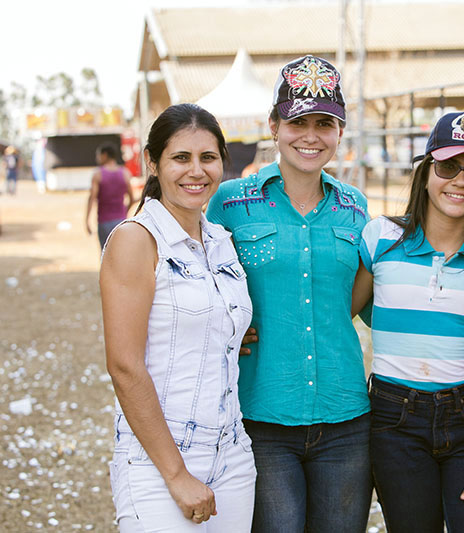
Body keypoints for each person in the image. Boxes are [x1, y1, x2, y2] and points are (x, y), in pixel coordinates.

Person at [206, 55, 372, 532]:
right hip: (262, 417)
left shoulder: (355, 207)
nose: (310, 136)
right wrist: (224, 331)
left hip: (345, 417)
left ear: (339, 132)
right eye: (297, 121)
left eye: (325, 123)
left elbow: (355, 299)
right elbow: (195, 281)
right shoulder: (229, 202)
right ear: (274, 126)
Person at [352, 111, 464, 532]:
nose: (460, 181)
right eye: (448, 166)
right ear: (426, 171)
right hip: (395, 421)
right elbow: (337, 315)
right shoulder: (380, 238)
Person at [100, 103, 256, 532]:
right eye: (180, 158)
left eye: (208, 158)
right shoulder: (136, 239)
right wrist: (176, 474)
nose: (197, 171)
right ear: (153, 163)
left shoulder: (221, 241)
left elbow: (213, 321)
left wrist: (227, 331)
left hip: (233, 455)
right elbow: (124, 366)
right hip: (160, 460)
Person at [85, 142, 134, 249]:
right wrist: (124, 212)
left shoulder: (98, 174)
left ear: (105, 155)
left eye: (98, 155)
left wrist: (87, 220)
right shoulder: (125, 173)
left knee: (105, 255)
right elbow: (132, 198)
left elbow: (92, 199)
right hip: (121, 221)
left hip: (104, 222)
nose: (97, 158)